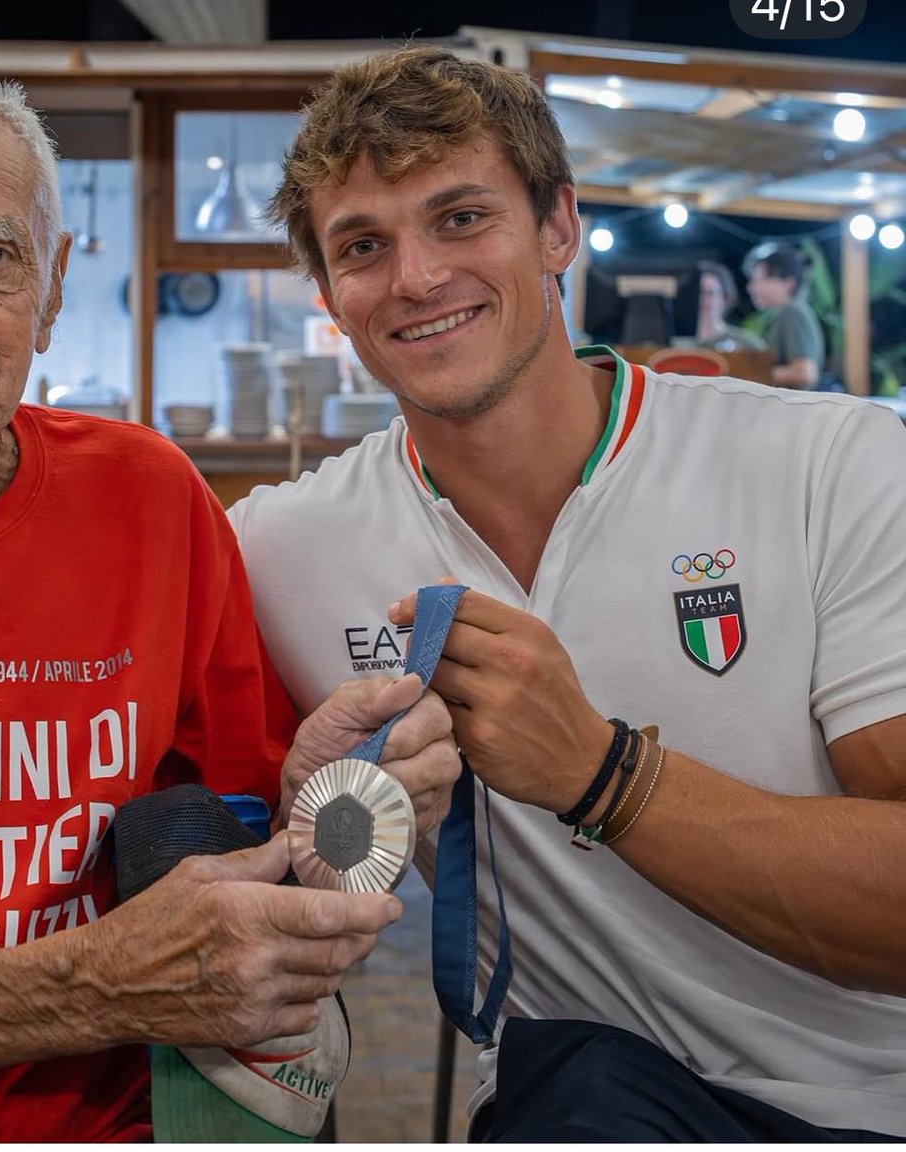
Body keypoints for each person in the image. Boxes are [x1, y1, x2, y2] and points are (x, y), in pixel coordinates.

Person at [0, 58, 460, 1141]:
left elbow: (244, 852)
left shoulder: (148, 500)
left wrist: (322, 796)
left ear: (52, 288)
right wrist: (83, 985)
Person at [229, 45, 906, 1142]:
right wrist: (338, 815)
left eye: (459, 218)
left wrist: (602, 774)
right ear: (328, 296)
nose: (414, 277)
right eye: (364, 245)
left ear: (557, 226)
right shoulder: (280, 546)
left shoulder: (835, 464)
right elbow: (242, 827)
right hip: (584, 1090)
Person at [745, 244, 827, 388]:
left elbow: (805, 374)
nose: (751, 288)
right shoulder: (786, 313)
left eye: (758, 280)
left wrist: (746, 373)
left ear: (787, 283)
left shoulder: (792, 312)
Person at [690, 259, 765, 353]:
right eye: (697, 293)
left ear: (725, 298)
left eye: (710, 293)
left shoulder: (746, 343)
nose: (703, 299)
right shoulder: (677, 344)